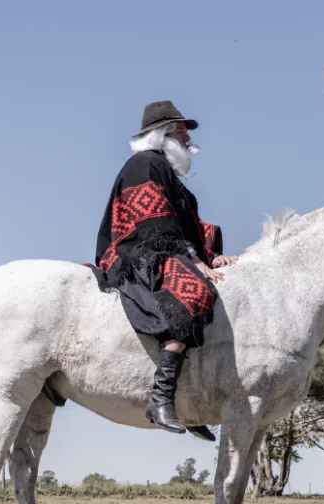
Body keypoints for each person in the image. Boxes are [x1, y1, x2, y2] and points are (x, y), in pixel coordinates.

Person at [89, 101, 238, 442]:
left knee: (204, 296)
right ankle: (160, 400)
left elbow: (189, 226)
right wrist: (195, 262)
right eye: (183, 131)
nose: (188, 139)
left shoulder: (168, 173)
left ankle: (185, 403)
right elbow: (157, 225)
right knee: (192, 294)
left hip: (163, 248)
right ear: (167, 133)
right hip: (138, 254)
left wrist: (211, 256)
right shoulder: (145, 165)